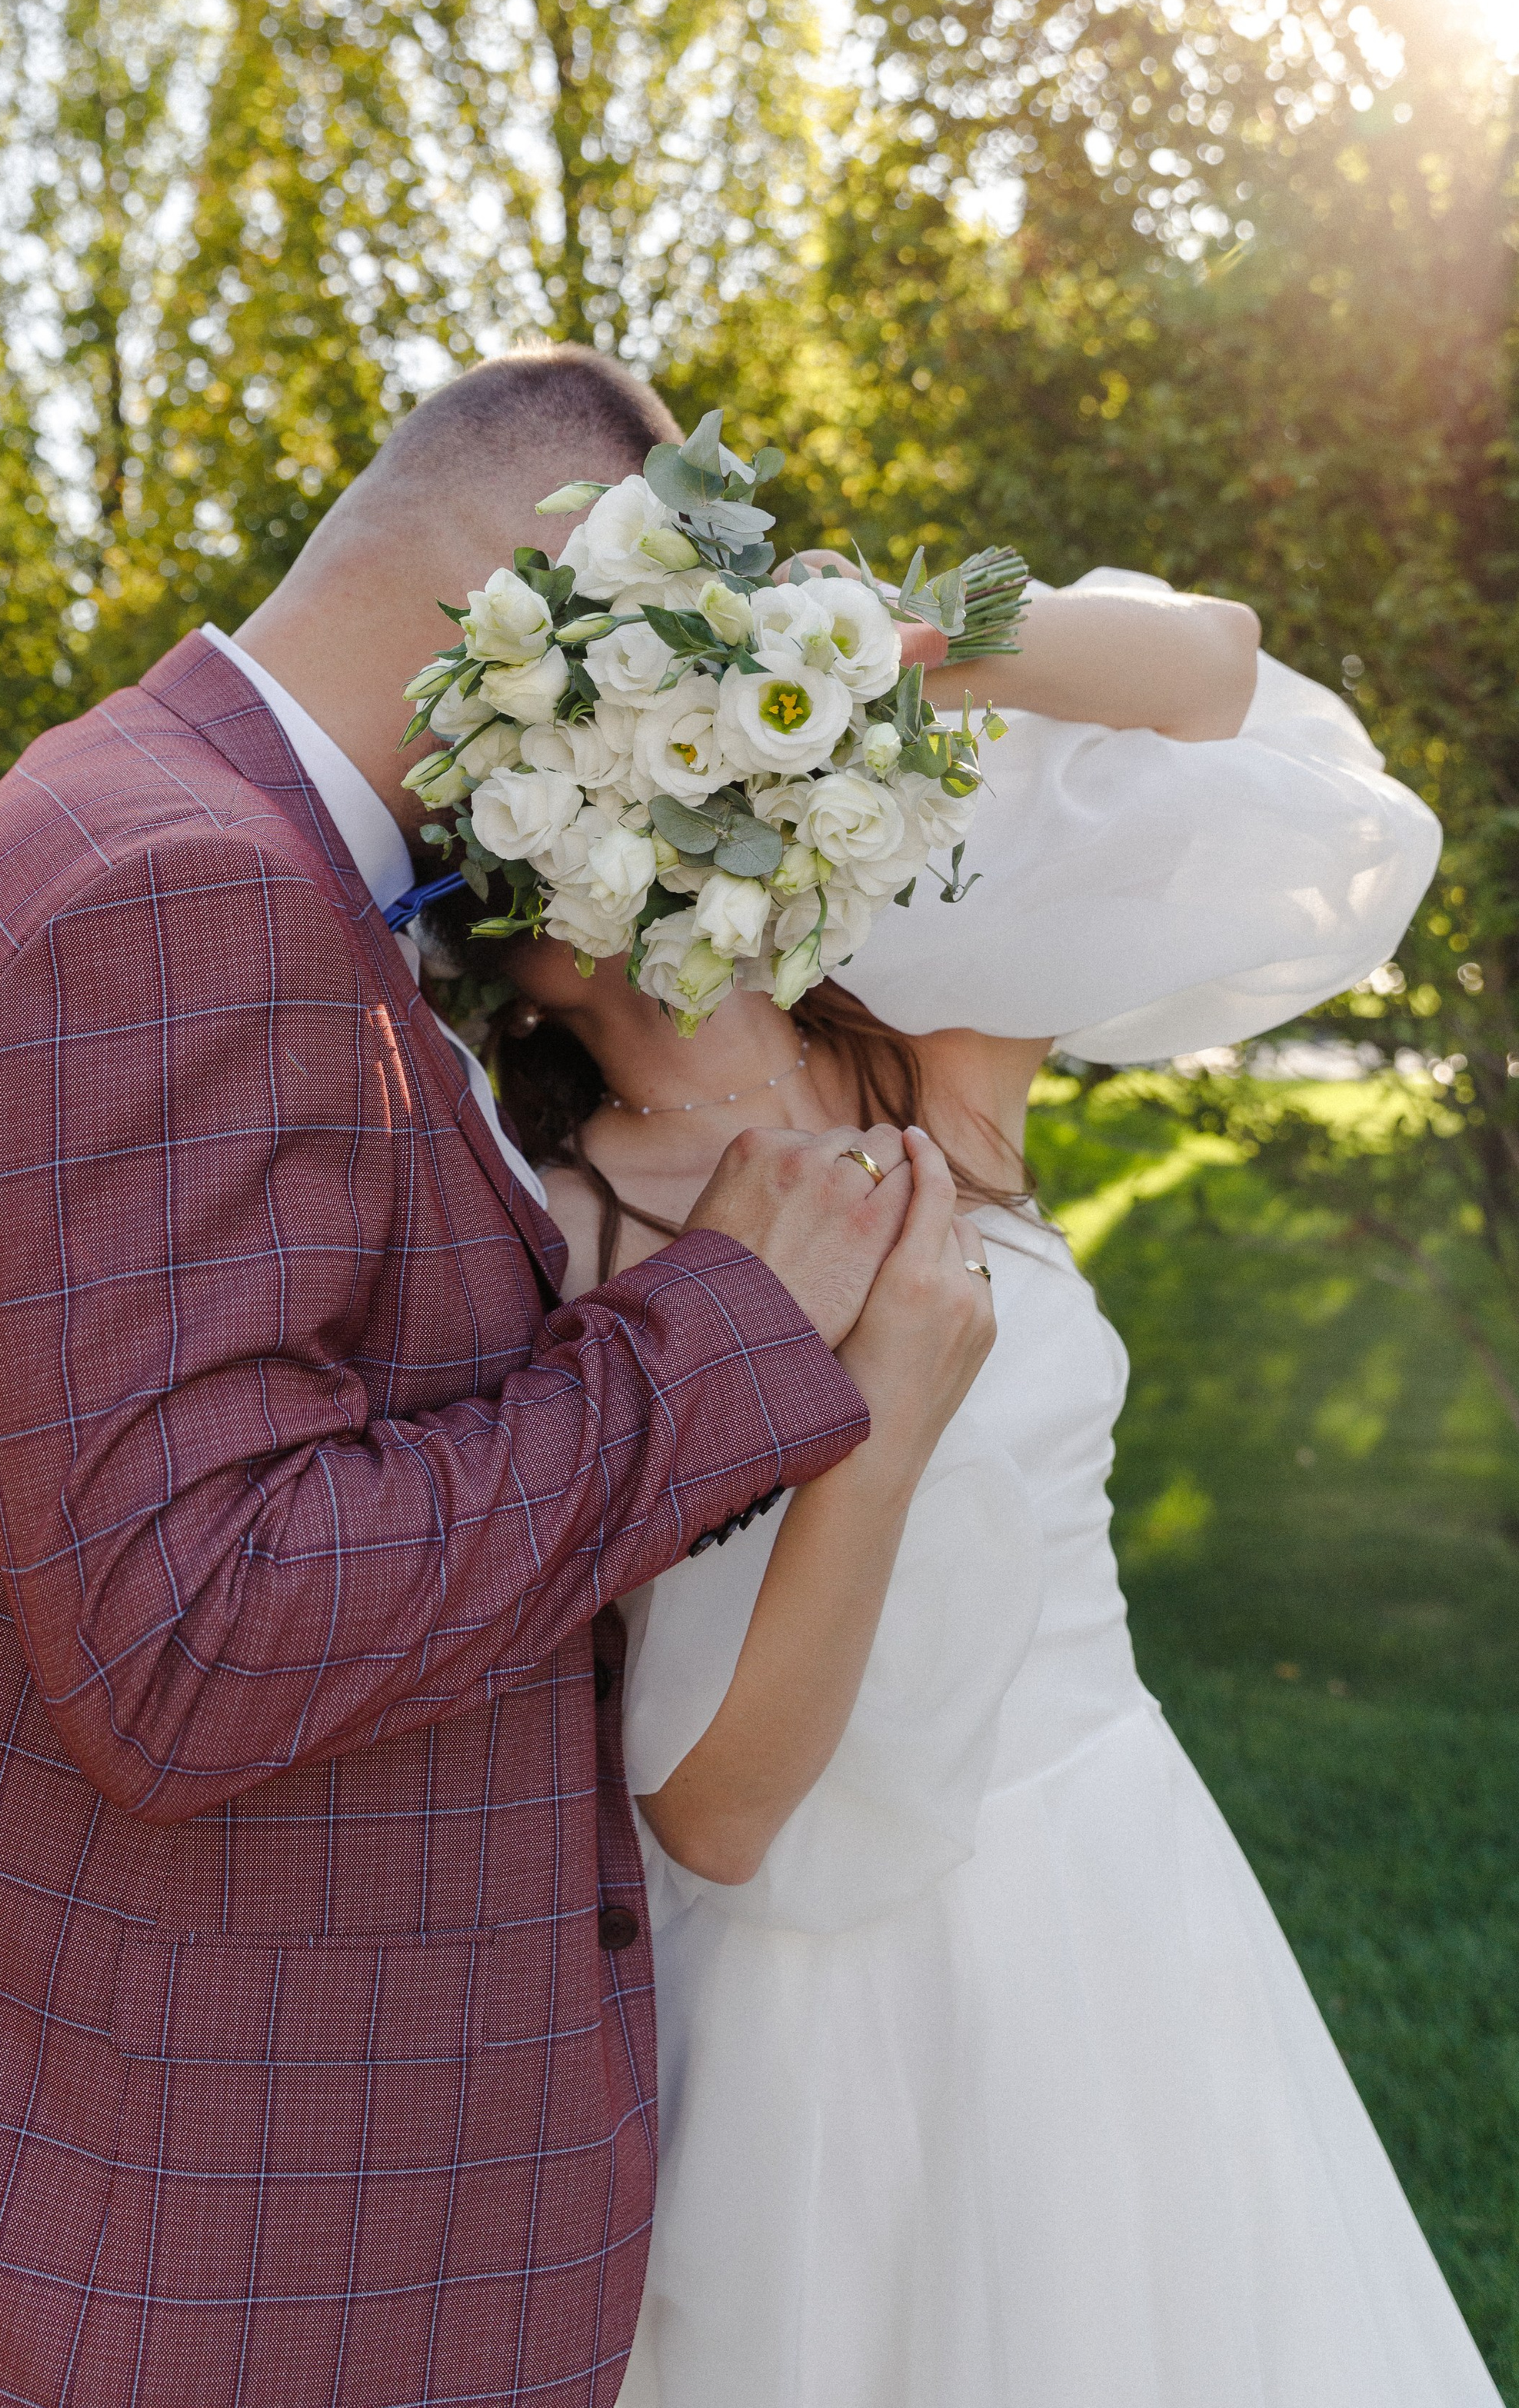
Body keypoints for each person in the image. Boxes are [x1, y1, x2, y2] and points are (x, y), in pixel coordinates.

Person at [0, 347, 994, 2408]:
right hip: (169, 2251)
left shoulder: (157, 820)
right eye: (671, 661)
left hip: (88, 2150)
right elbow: (198, 1631)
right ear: (558, 593)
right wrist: (722, 1317)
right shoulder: (187, 898)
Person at [467, 562, 1497, 2406]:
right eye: (541, 787)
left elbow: (1211, 678)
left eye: (627, 753)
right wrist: (888, 1421)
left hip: (1108, 1890)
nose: (597, 822)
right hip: (821, 2018)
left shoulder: (926, 1048)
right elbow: (708, 1820)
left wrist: (888, 640)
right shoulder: (550, 1237)